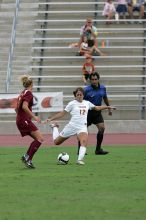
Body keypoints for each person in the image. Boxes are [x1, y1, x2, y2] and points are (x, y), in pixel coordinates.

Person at [45, 87, 116, 165]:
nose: (79, 96)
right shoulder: (72, 103)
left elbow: (97, 108)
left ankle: (79, 160)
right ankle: (54, 127)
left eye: (81, 94)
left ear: (83, 95)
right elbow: (62, 113)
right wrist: (51, 119)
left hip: (82, 127)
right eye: (77, 94)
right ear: (75, 96)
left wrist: (107, 107)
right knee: (56, 142)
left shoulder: (87, 103)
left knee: (84, 141)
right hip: (71, 126)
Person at [77, 72, 113, 155]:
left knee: (102, 128)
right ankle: (80, 150)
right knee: (83, 131)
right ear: (90, 80)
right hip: (87, 113)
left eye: (95, 79)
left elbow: (105, 98)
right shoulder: (86, 90)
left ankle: (98, 149)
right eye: (92, 80)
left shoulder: (103, 88)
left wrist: (109, 108)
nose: (94, 81)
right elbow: (80, 100)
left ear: (98, 79)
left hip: (97, 113)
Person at [15, 75, 44, 169]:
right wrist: (34, 117)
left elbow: (16, 109)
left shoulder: (22, 93)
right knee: (40, 138)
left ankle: (27, 157)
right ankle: (28, 158)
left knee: (38, 139)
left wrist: (21, 116)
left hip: (20, 120)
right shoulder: (29, 93)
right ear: (32, 84)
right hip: (24, 120)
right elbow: (24, 106)